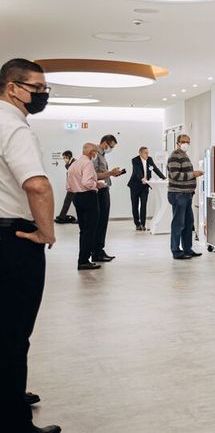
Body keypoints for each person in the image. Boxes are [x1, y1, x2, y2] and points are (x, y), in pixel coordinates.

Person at [0, 58, 61, 433]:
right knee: (13, 332)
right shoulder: (14, 126)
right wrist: (46, 232)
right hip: (14, 240)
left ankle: (8, 395)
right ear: (12, 88)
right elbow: (37, 185)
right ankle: (13, 421)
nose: (43, 95)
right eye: (36, 88)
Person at [67, 143, 103, 271]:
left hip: (77, 197)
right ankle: (83, 260)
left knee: (83, 230)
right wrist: (96, 184)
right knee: (90, 230)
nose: (96, 155)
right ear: (92, 152)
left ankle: (82, 259)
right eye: (96, 152)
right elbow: (86, 182)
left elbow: (69, 186)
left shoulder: (74, 164)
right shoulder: (88, 163)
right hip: (89, 197)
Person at [167, 134, 203, 259]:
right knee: (178, 223)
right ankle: (176, 250)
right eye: (183, 141)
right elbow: (175, 175)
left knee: (188, 223)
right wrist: (194, 174)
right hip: (178, 194)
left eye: (188, 141)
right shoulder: (174, 156)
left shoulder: (184, 155)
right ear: (177, 143)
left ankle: (187, 249)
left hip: (187, 195)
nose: (185, 143)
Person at [92, 134, 122, 262]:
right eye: (111, 146)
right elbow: (93, 174)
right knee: (100, 222)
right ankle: (97, 251)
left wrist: (112, 174)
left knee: (103, 222)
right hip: (99, 191)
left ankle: (99, 249)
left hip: (104, 189)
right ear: (105, 143)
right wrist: (110, 173)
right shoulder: (95, 155)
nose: (111, 149)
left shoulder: (102, 155)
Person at [127, 146, 166, 231]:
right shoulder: (135, 160)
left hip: (145, 186)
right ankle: (137, 224)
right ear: (140, 153)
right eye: (145, 153)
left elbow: (155, 169)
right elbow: (137, 171)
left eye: (148, 153)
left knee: (144, 204)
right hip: (135, 185)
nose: (147, 154)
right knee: (135, 205)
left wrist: (164, 177)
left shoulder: (149, 159)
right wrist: (142, 178)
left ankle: (143, 224)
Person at [54, 151, 77, 223]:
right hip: (72, 187)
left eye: (65, 157)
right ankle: (62, 217)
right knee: (68, 201)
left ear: (69, 156)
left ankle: (62, 217)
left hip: (76, 187)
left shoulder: (75, 163)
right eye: (63, 157)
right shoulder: (68, 164)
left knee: (75, 203)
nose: (64, 159)